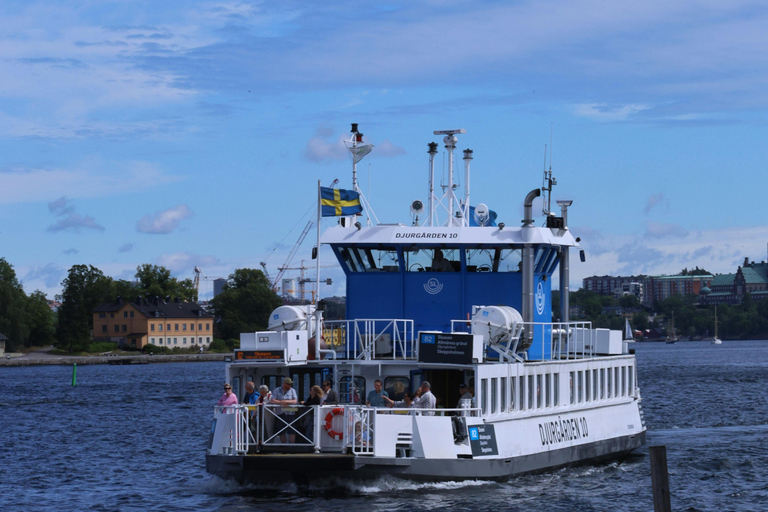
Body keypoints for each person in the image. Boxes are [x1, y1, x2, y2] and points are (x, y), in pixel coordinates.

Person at [270, 377, 298, 443]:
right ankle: (284, 445)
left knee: (292, 431)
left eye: (291, 384)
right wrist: (280, 402)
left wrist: (286, 402)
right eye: (289, 384)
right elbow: (272, 400)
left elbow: (295, 401)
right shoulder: (277, 390)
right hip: (280, 413)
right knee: (281, 431)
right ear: (284, 384)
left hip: (290, 413)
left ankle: (291, 447)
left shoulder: (292, 391)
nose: (290, 386)